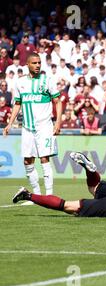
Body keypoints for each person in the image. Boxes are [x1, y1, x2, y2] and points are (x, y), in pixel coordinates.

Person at [3, 53, 62, 198]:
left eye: (39, 63)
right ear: (27, 65)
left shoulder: (47, 80)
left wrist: (58, 122)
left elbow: (58, 102)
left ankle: (49, 196)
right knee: (27, 160)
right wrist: (10, 123)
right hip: (27, 127)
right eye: (34, 63)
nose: (37, 65)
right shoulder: (20, 82)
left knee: (44, 158)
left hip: (44, 126)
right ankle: (36, 196)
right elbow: (17, 104)